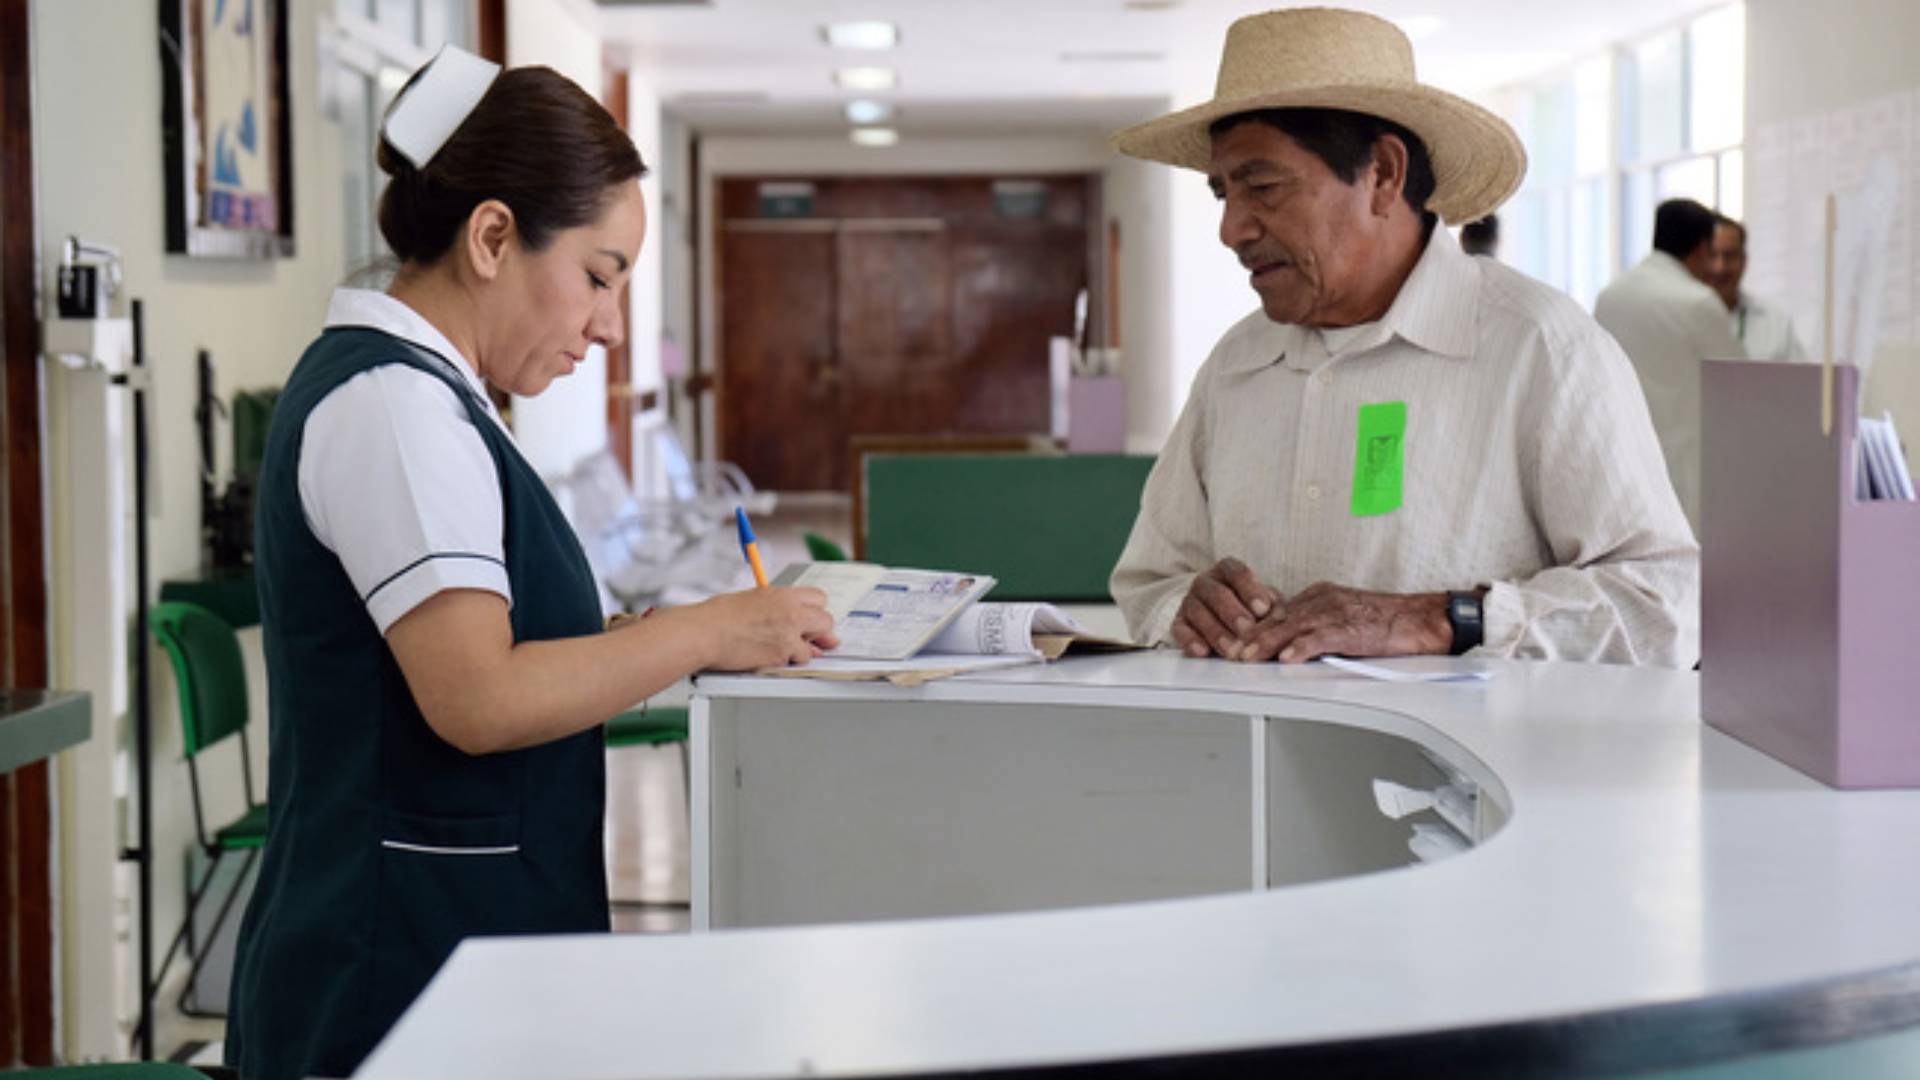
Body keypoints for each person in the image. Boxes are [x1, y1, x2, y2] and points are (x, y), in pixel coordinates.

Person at [225, 47, 836, 1080]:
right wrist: (710, 629)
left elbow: (500, 650)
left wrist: (647, 642)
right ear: (493, 236)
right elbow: (477, 695)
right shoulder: (392, 406)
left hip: (457, 942)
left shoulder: (438, 399)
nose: (607, 325)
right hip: (393, 968)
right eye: (599, 278)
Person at [1107, 8, 1697, 669]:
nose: (1232, 229)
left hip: (1474, 771)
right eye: (1221, 193)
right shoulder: (1237, 365)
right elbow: (1151, 580)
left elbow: (1665, 604)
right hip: (1250, 765)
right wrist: (1186, 603)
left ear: (1384, 174)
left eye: (1263, 187)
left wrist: (1447, 619)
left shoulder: (1539, 349)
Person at [1593, 199, 1750, 532]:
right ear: (1702, 247)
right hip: (1685, 475)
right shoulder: (1697, 302)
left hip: (1619, 466)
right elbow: (1743, 386)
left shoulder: (1609, 297)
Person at [1709, 214, 1807, 361]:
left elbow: (1804, 379)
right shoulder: (1682, 320)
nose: (1720, 267)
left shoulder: (1774, 321)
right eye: (1712, 255)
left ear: (1744, 261)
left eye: (1729, 256)